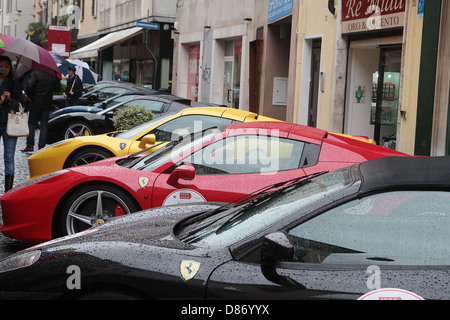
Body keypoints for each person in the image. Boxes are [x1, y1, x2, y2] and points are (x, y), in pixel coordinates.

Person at [0, 56, 26, 192]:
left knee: (9, 157)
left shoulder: (14, 84)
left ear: (10, 69)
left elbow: (21, 105)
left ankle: (8, 191)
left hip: (10, 125)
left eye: (6, 66)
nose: (3, 69)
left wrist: (10, 99)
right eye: (1, 66)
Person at [21, 69, 61, 152]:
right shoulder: (53, 74)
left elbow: (29, 85)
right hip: (47, 102)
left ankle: (30, 145)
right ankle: (41, 147)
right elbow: (58, 89)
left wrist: (30, 96)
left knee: (31, 123)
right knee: (44, 125)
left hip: (35, 102)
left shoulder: (35, 72)